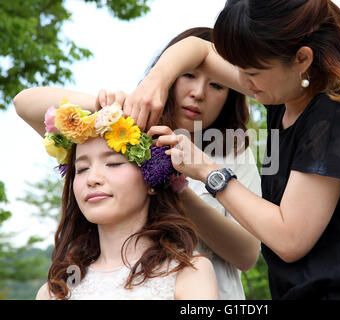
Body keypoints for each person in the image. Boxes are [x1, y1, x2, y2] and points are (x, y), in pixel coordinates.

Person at [123, 0, 340, 300]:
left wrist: (207, 171)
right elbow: (199, 50)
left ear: (302, 59)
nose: (242, 82)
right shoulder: (285, 93)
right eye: (238, 68)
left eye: (252, 72)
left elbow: (290, 239)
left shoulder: (335, 115)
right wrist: (154, 82)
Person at [14, 27, 261, 300]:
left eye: (217, 84)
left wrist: (176, 185)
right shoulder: (120, 133)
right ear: (165, 77)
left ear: (231, 96)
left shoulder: (234, 152)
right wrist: (105, 108)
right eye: (188, 75)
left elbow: (247, 254)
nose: (198, 93)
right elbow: (25, 103)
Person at [13, 100, 218, 299]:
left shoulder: (189, 273)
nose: (92, 179)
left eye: (113, 163)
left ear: (152, 178)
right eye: (82, 169)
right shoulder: (55, 291)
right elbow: (21, 100)